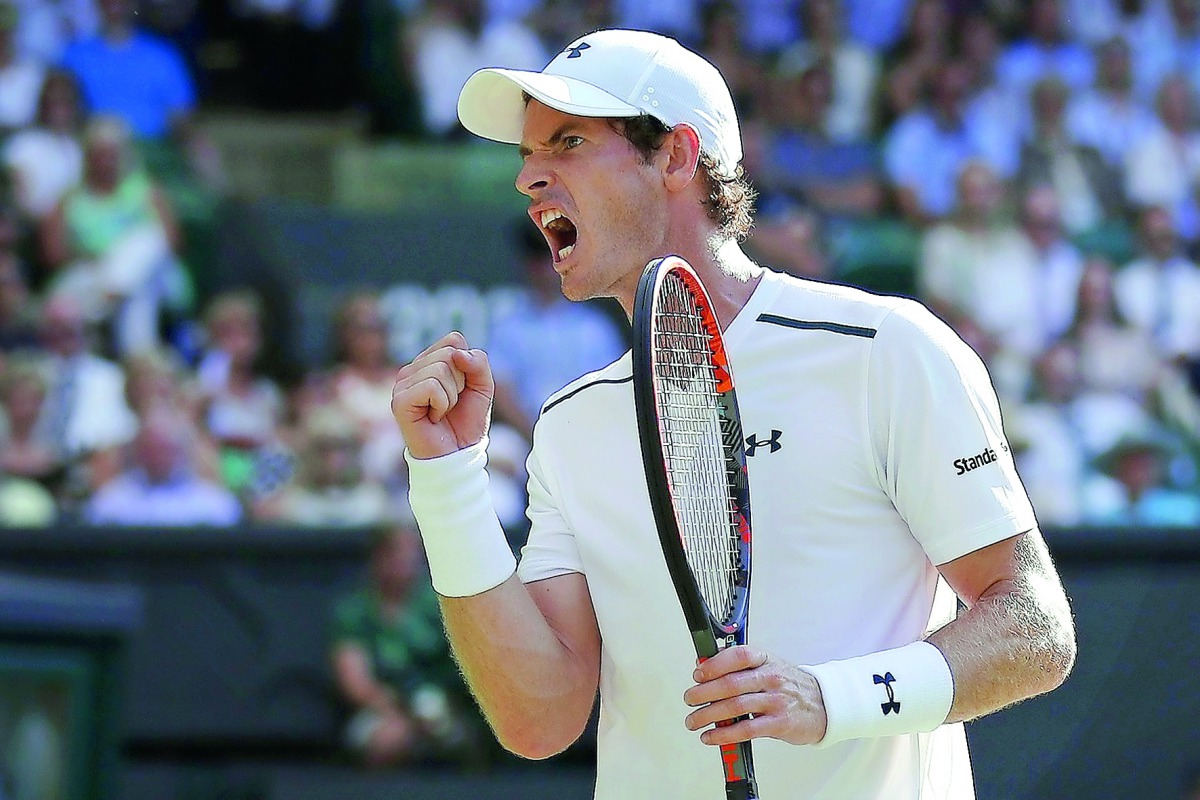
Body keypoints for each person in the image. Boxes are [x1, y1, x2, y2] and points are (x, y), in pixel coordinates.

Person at [392, 28, 1076, 799]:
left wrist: (830, 701)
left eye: (569, 141)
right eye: (527, 154)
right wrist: (446, 484)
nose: (528, 178)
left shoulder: (886, 349)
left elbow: (1033, 630)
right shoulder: (571, 422)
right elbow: (539, 719)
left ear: (677, 157)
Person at [330, 522, 485, 767]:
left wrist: (444, 707)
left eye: (411, 553)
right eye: (395, 553)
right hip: (384, 710)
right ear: (377, 556)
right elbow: (355, 682)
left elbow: (469, 666)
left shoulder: (439, 604)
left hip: (443, 705)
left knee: (466, 737)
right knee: (387, 740)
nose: (405, 561)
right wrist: (403, 713)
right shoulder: (355, 612)